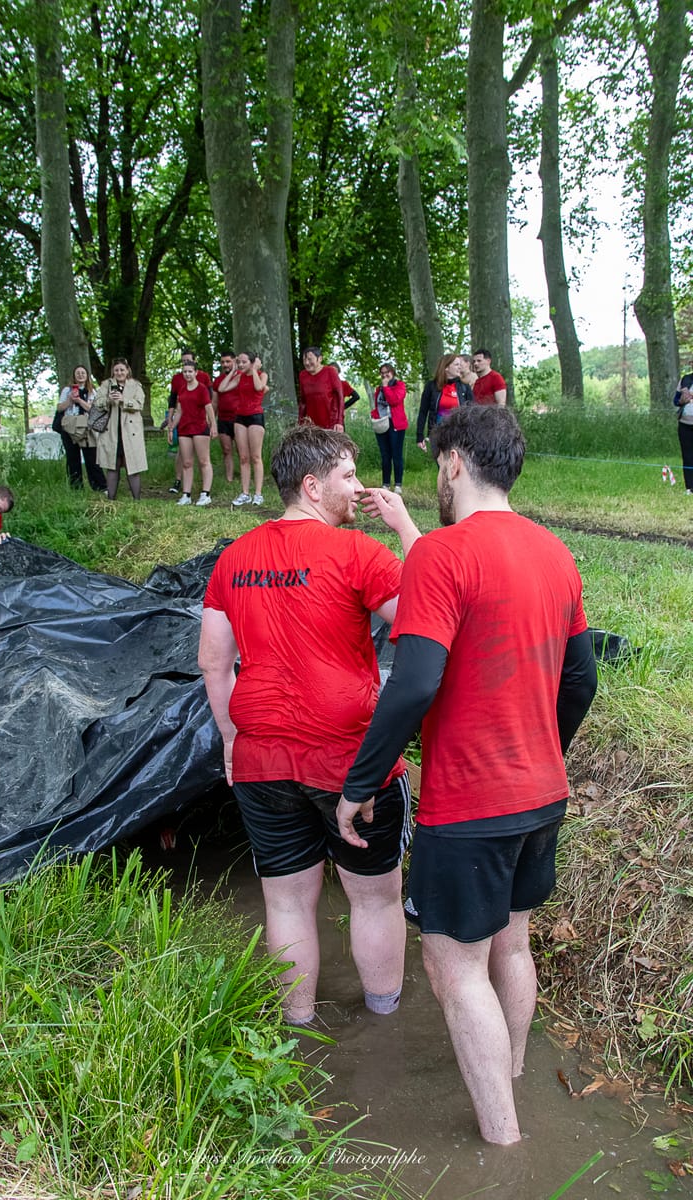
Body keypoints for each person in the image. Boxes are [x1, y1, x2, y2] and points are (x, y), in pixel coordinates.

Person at [336, 405, 597, 1146]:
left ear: (453, 462)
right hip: (542, 795)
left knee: (454, 968)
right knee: (511, 946)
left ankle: (504, 1148)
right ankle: (511, 1077)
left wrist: (361, 784)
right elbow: (580, 682)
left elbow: (413, 683)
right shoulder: (556, 553)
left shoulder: (440, 555)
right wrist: (545, 752)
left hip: (470, 805)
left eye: (434, 465)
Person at [198, 425, 421, 1024]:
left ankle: (293, 1029)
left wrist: (229, 739)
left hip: (260, 759)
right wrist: (405, 529)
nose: (360, 488)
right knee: (374, 898)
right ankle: (383, 1020)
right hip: (350, 760)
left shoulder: (235, 558)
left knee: (288, 901)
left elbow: (214, 662)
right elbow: (426, 613)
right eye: (349, 476)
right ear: (312, 485)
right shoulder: (358, 554)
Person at [217, 351, 268, 506]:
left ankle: (258, 494)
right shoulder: (239, 377)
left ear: (252, 363)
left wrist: (254, 369)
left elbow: (259, 387)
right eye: (238, 362)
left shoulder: (261, 374)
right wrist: (233, 371)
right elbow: (222, 388)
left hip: (255, 416)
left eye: (243, 362)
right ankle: (245, 492)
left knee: (255, 457)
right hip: (240, 418)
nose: (240, 365)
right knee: (244, 457)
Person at [94, 358, 147, 501]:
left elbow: (140, 404)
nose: (119, 372)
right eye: (116, 370)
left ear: (127, 370)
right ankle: (111, 499)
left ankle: (137, 500)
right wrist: (108, 400)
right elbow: (97, 403)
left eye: (122, 370)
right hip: (111, 431)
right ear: (113, 371)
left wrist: (124, 400)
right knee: (112, 465)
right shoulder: (106, 385)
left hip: (131, 432)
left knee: (133, 465)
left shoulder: (135, 385)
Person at [168, 361, 218, 506]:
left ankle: (205, 493)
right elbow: (180, 410)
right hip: (184, 428)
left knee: (203, 460)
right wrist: (172, 427)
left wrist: (213, 425)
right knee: (187, 462)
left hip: (200, 427)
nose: (187, 374)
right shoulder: (182, 389)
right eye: (185, 372)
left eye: (190, 371)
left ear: (196, 372)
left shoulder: (202, 389)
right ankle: (186, 494)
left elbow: (209, 408)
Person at [53, 366, 107, 492]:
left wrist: (80, 401)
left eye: (83, 373)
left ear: (87, 376)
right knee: (72, 459)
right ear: (74, 375)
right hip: (70, 426)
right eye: (78, 373)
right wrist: (70, 400)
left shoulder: (93, 391)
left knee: (92, 458)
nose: (81, 375)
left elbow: (95, 410)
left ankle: (100, 486)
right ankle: (76, 488)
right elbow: (60, 408)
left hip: (87, 426)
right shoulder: (67, 390)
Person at [416, 353, 475, 447]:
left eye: (460, 364)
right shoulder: (431, 386)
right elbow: (423, 412)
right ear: (446, 367)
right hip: (438, 434)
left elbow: (473, 412)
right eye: (456, 364)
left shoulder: (465, 387)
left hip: (459, 435)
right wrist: (419, 436)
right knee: (441, 461)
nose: (460, 367)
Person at [370, 363, 408, 493]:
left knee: (396, 454)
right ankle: (385, 483)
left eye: (387, 372)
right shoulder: (379, 389)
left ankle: (398, 484)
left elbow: (394, 400)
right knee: (385, 455)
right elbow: (378, 405)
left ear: (393, 373)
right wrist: (374, 415)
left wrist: (386, 387)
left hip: (396, 424)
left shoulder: (400, 386)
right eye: (382, 373)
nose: (385, 375)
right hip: (382, 423)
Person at [298, 347, 344, 430]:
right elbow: (303, 401)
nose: (307, 363)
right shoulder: (302, 375)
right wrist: (300, 422)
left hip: (330, 423)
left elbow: (340, 397)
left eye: (310, 359)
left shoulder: (330, 371)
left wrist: (339, 422)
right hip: (310, 425)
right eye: (304, 360)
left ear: (320, 359)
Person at [212, 352, 237, 483]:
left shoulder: (241, 377)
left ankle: (247, 477)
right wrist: (211, 421)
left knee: (242, 451)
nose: (225, 365)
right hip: (223, 419)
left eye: (228, 361)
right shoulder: (218, 380)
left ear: (234, 361)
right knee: (227, 450)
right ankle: (229, 478)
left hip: (239, 419)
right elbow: (215, 402)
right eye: (222, 362)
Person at [672, 370, 693, 494]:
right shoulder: (685, 380)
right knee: (688, 456)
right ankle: (689, 487)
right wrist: (682, 401)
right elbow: (675, 401)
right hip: (685, 425)